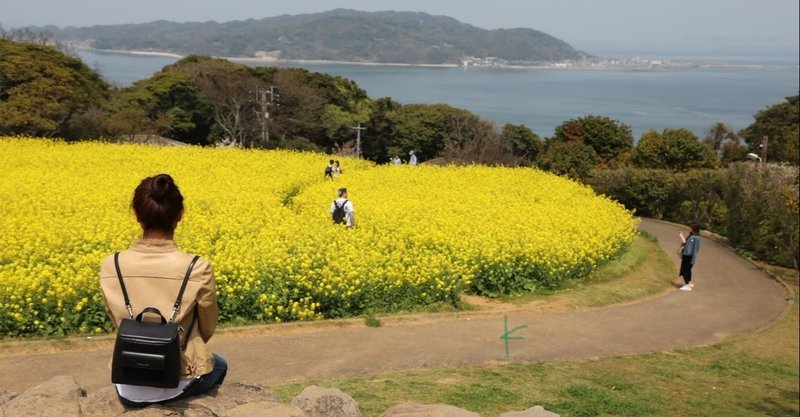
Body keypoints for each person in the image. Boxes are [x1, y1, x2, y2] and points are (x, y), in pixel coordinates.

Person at [99, 174, 227, 407]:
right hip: (178, 380)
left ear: (136, 215)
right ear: (180, 214)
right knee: (219, 364)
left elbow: (116, 318)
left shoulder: (111, 264)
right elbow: (207, 326)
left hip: (127, 381)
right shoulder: (197, 267)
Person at [678, 224, 701, 291]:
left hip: (689, 257)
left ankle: (687, 285)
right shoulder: (691, 236)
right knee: (686, 270)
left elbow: (695, 249)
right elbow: (685, 243)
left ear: (694, 229)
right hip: (686, 255)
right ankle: (689, 283)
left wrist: (693, 259)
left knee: (685, 270)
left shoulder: (696, 238)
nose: (689, 229)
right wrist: (681, 236)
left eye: (691, 228)